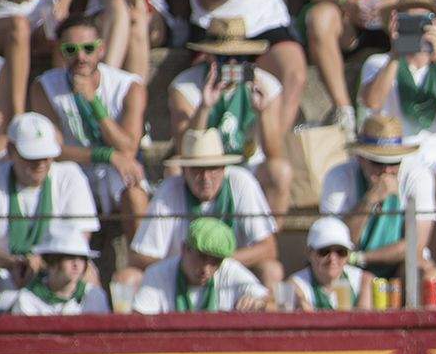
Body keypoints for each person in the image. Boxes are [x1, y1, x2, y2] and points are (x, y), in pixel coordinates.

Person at [177, 0, 307, 153]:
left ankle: (266, 155)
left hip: (265, 23)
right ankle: (213, 152)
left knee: (294, 72)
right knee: (211, 80)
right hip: (216, 27)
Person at [123, 126, 280, 295]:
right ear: (184, 171)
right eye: (197, 169)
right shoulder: (169, 190)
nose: (205, 177)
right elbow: (138, 257)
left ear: (224, 168)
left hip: (231, 274)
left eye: (213, 168)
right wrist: (187, 265)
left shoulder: (242, 182)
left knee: (272, 271)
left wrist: (216, 262)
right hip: (180, 277)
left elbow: (268, 248)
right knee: (126, 278)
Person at [303, 0, 436, 139]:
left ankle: (434, 103)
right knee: (319, 18)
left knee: (422, 7)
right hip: (347, 20)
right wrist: (346, 1)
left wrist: (390, 3)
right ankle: (344, 112)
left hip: (395, 15)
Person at [31, 16, 148, 238]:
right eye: (71, 49)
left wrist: (94, 102)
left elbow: (129, 148)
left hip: (117, 169)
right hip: (73, 166)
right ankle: (73, 263)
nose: (80, 57)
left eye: (88, 48)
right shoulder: (44, 87)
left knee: (134, 191)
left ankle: (141, 265)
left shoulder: (128, 86)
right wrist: (106, 155)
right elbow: (53, 150)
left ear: (101, 49)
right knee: (62, 181)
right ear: (61, 51)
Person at [165, 17, 296, 215]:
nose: (233, 65)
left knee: (280, 171)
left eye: (241, 58)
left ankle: (268, 241)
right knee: (173, 171)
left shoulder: (267, 85)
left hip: (248, 165)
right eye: (225, 58)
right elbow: (184, 148)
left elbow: (274, 153)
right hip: (206, 168)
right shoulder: (184, 87)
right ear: (209, 57)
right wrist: (204, 106)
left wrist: (262, 113)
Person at [357, 0, 436, 201]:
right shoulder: (378, 64)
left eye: (424, 23)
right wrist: (396, 55)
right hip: (396, 160)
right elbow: (372, 102)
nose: (417, 30)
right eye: (409, 23)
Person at [319, 114, 436, 283]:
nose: (386, 171)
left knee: (425, 272)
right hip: (349, 268)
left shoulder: (418, 176)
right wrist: (370, 200)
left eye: (394, 162)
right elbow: (335, 243)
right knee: (330, 266)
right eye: (378, 162)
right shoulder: (338, 176)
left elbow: (415, 246)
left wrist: (361, 257)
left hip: (394, 266)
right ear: (360, 158)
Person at [0, 113, 99, 296]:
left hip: (57, 265)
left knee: (87, 276)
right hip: (4, 269)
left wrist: (43, 261)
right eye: (32, 157)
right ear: (12, 151)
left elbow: (79, 239)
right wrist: (13, 262)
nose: (41, 164)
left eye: (46, 156)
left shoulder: (70, 176)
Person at [0, 0, 73, 123]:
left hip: (44, 6)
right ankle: (18, 116)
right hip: (6, 8)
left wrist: (62, 3)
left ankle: (63, 115)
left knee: (63, 35)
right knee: (19, 27)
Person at [132, 215, 271, 312]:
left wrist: (260, 303)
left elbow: (272, 303)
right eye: (202, 257)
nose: (206, 269)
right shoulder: (157, 274)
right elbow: (139, 319)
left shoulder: (229, 269)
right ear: (184, 249)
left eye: (216, 261)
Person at [2, 222, 107, 313]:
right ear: (52, 262)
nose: (76, 264)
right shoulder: (27, 300)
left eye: (81, 259)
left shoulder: (94, 296)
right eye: (69, 258)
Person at [282, 215, 372, 310]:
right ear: (309, 253)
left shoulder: (364, 280)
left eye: (340, 252)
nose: (332, 258)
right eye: (324, 251)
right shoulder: (296, 285)